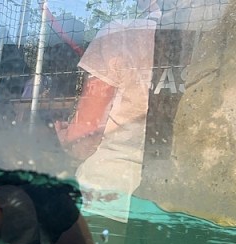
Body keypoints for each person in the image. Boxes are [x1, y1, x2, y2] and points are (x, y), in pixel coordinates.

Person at [54, 0, 159, 223]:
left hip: (110, 191)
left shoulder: (121, 33)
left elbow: (84, 138)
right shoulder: (218, 39)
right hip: (182, 197)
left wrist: (67, 139)